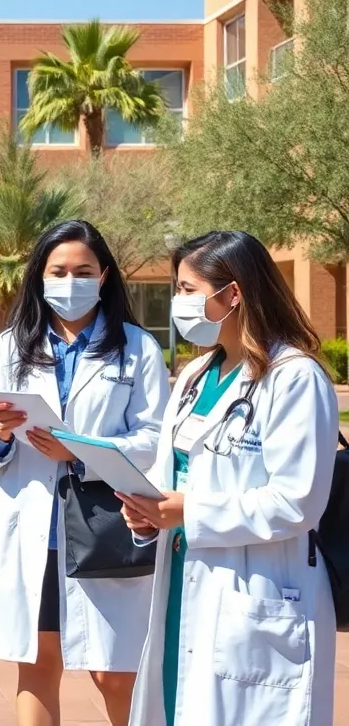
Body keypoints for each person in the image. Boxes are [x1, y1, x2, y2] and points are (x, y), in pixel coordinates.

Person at [119, 231, 338, 726]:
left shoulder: (294, 378)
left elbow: (297, 501)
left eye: (187, 288)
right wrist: (146, 513)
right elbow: (169, 467)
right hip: (183, 582)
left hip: (256, 591)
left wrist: (188, 511)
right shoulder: (195, 376)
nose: (178, 302)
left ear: (233, 294)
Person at [0, 220, 169, 726]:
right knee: (37, 663)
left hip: (107, 526)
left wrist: (76, 451)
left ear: (103, 277)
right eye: (58, 270)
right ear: (40, 276)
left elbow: (154, 441)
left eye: (83, 270)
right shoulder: (13, 346)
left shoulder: (137, 348)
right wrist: (1, 433)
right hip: (33, 527)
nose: (70, 280)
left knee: (116, 672)